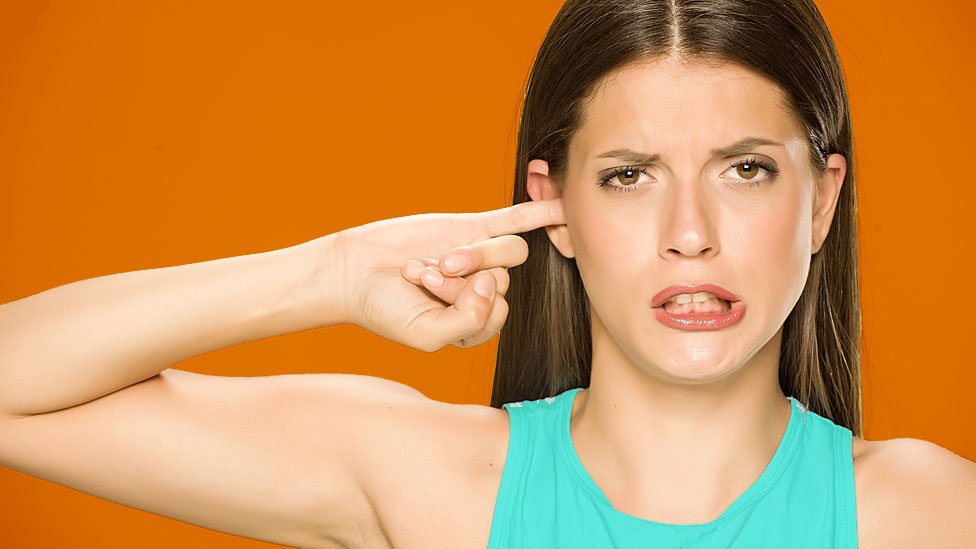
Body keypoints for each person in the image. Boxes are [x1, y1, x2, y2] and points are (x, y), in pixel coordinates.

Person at [1, 0, 974, 548]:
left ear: (821, 202)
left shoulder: (930, 516)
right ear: (555, 207)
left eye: (745, 169)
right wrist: (334, 271)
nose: (690, 234)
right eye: (629, 176)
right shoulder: (432, 484)